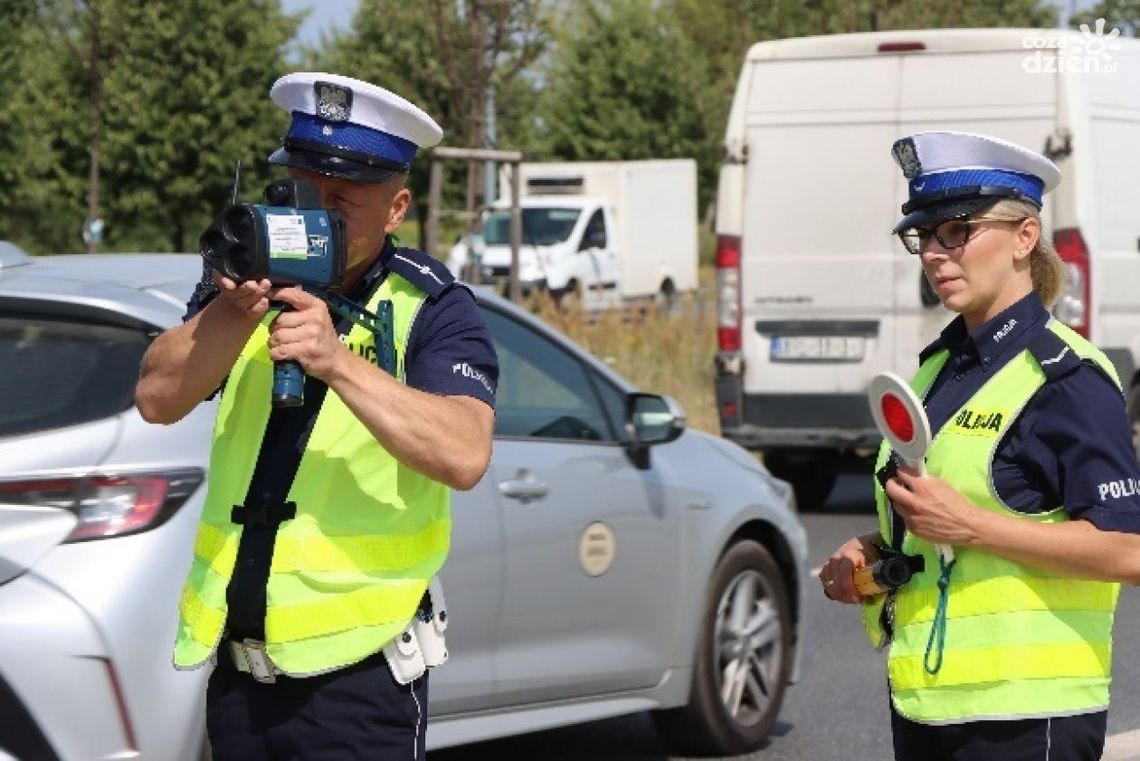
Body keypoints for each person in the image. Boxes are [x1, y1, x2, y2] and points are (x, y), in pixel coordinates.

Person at [135, 72, 498, 761]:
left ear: (396, 209)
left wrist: (338, 362)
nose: (313, 212)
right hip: (238, 676)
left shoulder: (434, 305)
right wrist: (232, 309)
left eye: (340, 198)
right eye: (300, 188)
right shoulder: (243, 284)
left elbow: (464, 452)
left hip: (356, 685)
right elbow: (157, 396)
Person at [818, 131, 1140, 761]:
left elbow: (1129, 549)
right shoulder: (936, 371)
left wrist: (969, 527)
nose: (935, 253)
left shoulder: (1067, 377)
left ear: (1025, 237)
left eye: (956, 231)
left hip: (1028, 717)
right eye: (923, 235)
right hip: (928, 706)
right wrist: (879, 553)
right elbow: (950, 523)